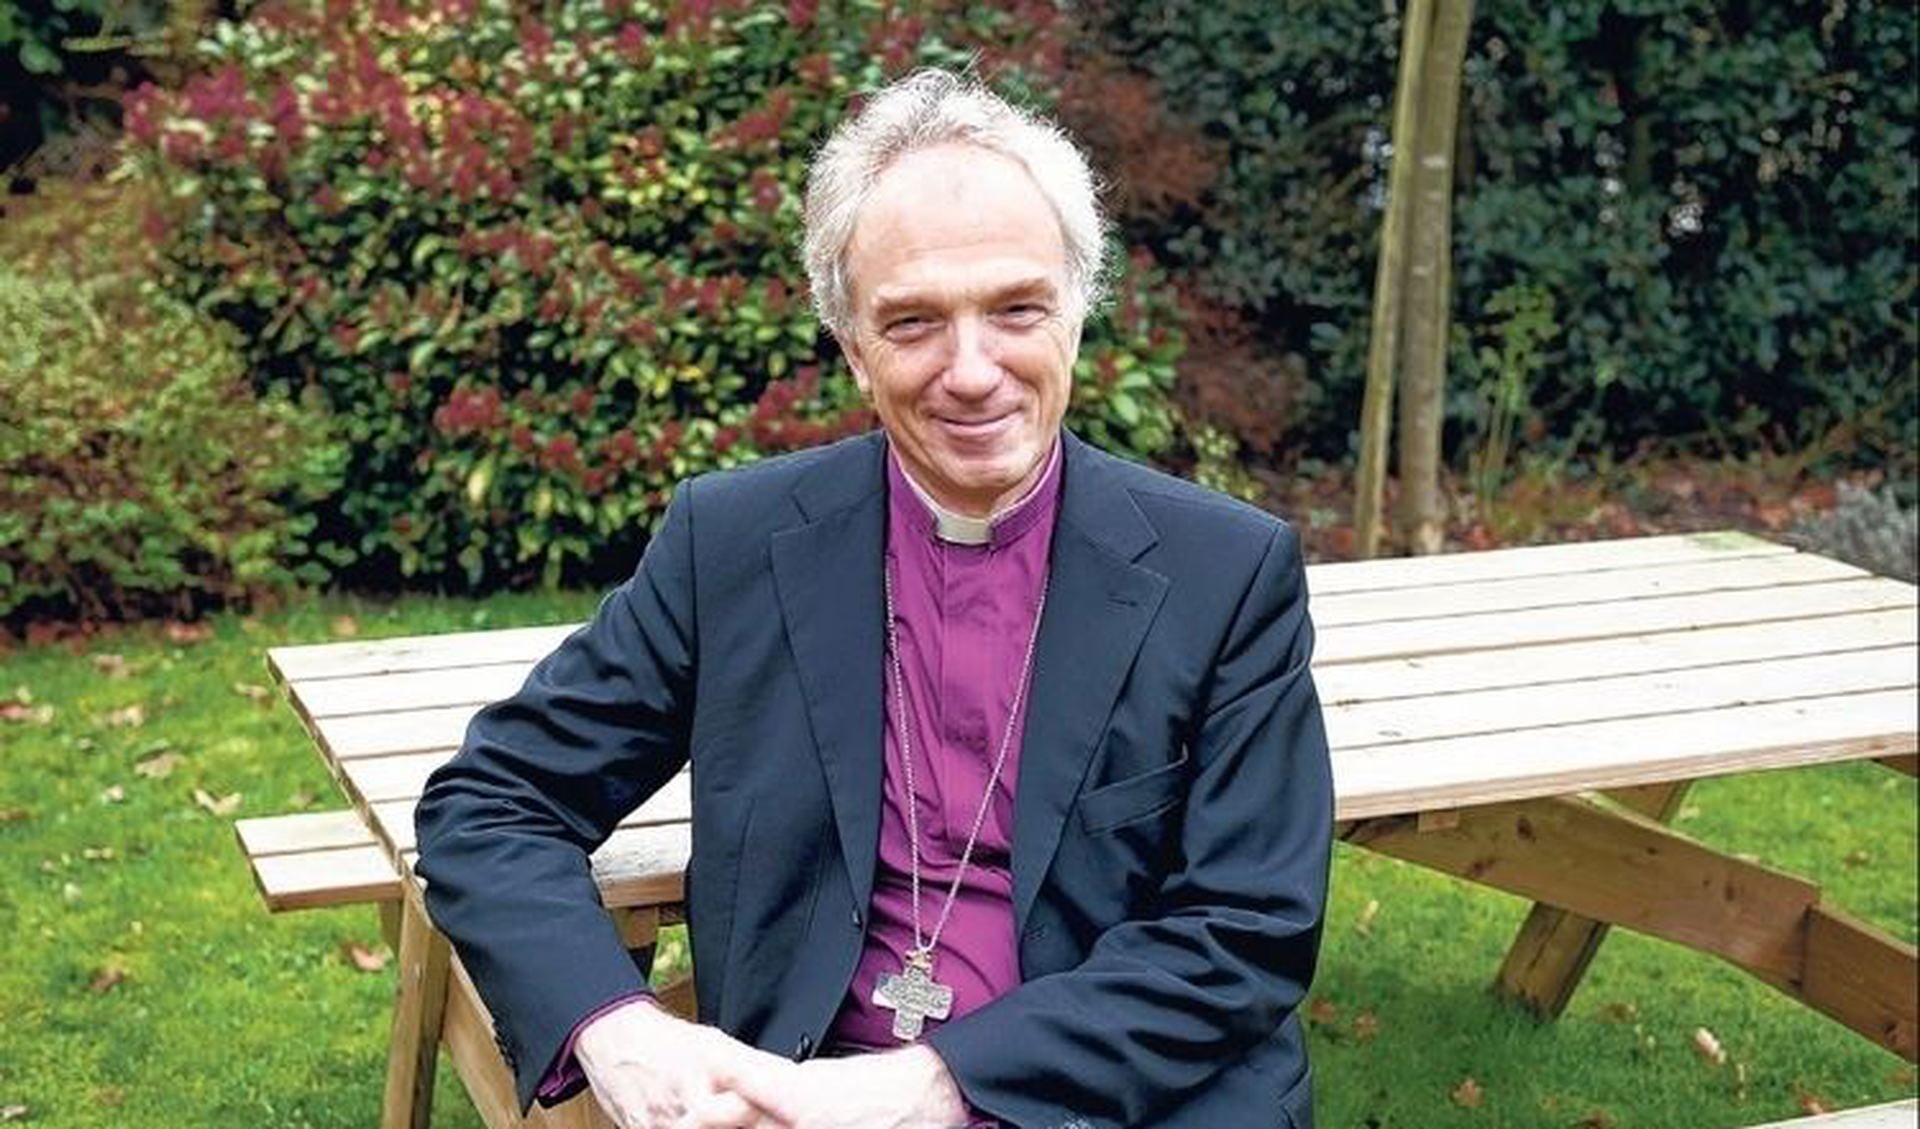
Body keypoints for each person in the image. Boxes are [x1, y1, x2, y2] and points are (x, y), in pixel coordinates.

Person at [415, 67, 1332, 1129]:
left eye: (1016, 308)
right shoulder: (732, 544)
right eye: (913, 323)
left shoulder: (1227, 572)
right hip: (801, 1090)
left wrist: (934, 1084)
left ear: (1076, 314)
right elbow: (494, 801)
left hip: (1122, 1101)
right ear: (853, 348)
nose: (973, 370)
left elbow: (1245, 928)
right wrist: (615, 1025)